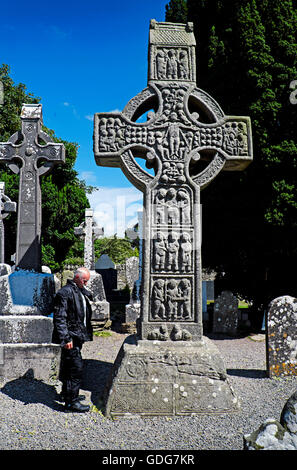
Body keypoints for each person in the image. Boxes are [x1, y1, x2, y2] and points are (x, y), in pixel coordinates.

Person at [52, 267, 93, 412]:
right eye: (85, 281)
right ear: (77, 278)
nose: (86, 283)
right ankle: (71, 402)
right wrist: (66, 338)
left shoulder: (78, 290)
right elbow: (59, 317)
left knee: (68, 365)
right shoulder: (65, 293)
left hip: (77, 335)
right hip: (71, 337)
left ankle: (67, 394)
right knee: (75, 368)